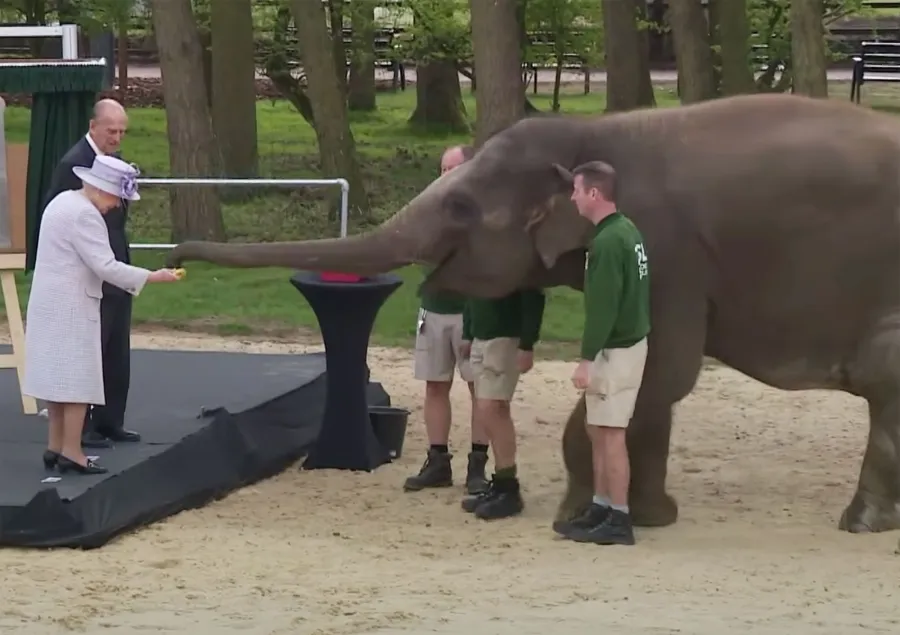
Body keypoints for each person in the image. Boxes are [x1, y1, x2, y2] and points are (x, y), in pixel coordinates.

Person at [23, 155, 182, 475]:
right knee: (78, 379)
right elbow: (105, 266)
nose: (116, 206)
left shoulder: (62, 202)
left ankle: (55, 446)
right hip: (72, 304)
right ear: (102, 189)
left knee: (57, 378)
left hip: (49, 301)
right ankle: (72, 451)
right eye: (117, 197)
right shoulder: (86, 216)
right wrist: (153, 276)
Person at [555, 160, 651, 546]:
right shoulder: (626, 230)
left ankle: (620, 516)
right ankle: (601, 504)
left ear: (594, 193)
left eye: (577, 190)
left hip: (616, 350)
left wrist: (586, 359)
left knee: (611, 434)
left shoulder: (609, 242)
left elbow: (604, 307)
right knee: (598, 429)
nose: (572, 197)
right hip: (626, 345)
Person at [42, 98, 136, 449]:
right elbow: (65, 217)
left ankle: (111, 420)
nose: (116, 137)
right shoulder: (75, 164)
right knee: (91, 347)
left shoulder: (115, 161)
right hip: (92, 268)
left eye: (122, 132)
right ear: (94, 126)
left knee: (116, 348)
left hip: (115, 262)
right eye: (111, 130)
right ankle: (78, 431)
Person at [404, 144, 490, 495]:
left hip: (470, 311)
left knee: (479, 390)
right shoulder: (427, 209)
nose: (446, 176)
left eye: (453, 168)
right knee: (434, 385)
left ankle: (478, 465)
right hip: (433, 309)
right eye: (442, 169)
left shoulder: (484, 216)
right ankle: (437, 460)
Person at [458, 287, 546, 520]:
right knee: (487, 408)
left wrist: (527, 344)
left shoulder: (515, 255)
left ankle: (508, 486)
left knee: (493, 408)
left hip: (504, 336)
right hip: (482, 335)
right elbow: (472, 288)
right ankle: (500, 482)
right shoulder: (482, 252)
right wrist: (469, 331)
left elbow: (534, 295)